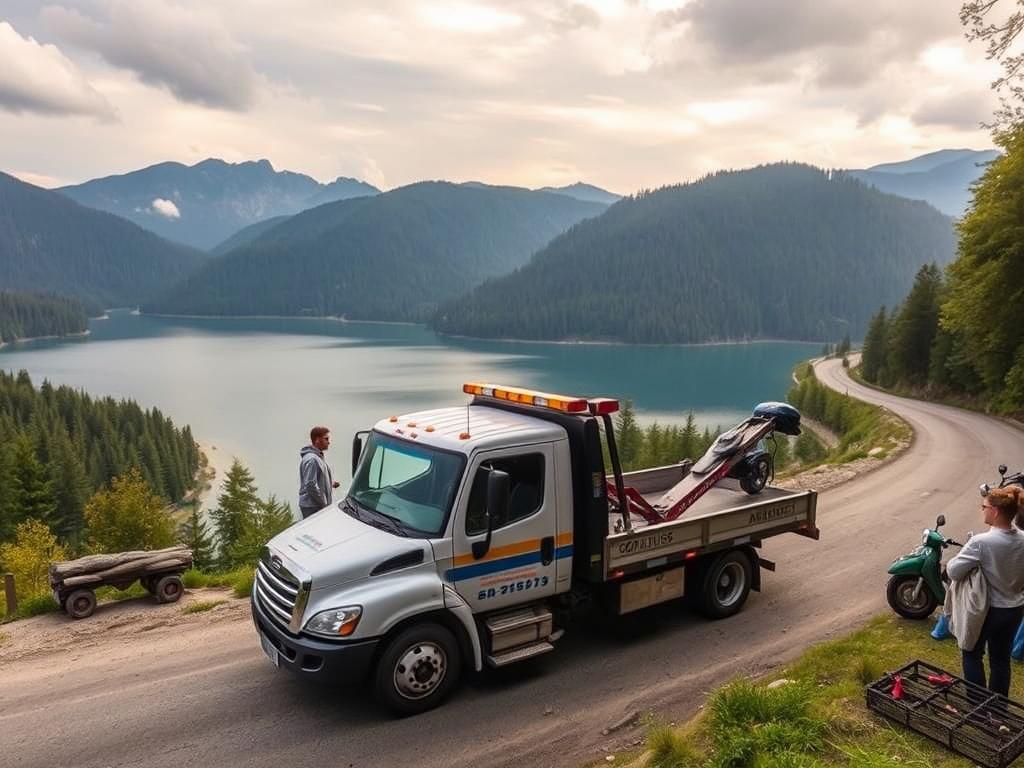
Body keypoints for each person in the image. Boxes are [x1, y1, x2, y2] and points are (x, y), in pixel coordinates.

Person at [946, 485, 1024, 695]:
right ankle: (998, 711)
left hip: (988, 610)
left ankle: (979, 711)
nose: (982, 509)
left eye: (984, 506)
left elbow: (953, 571)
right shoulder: (1023, 539)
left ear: (995, 511)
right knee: (1000, 659)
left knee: (971, 653)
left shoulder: (981, 542)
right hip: (1015, 608)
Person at [298, 426, 340, 520]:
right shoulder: (312, 459)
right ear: (317, 440)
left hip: (314, 505)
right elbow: (310, 484)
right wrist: (323, 503)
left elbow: (316, 479)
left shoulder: (317, 457)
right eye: (326, 439)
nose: (329, 442)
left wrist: (330, 483)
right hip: (313, 507)